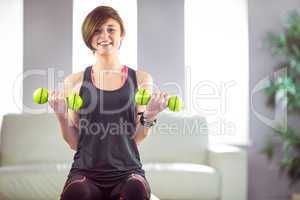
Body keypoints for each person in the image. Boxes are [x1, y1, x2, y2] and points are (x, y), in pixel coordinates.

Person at [48, 6, 169, 200]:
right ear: (89, 38)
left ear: (122, 34)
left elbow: (137, 137)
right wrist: (61, 116)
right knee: (76, 194)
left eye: (111, 29)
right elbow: (74, 143)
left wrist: (150, 116)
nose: (105, 35)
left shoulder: (141, 79)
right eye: (97, 30)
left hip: (128, 173)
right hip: (85, 172)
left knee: (135, 191)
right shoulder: (74, 82)